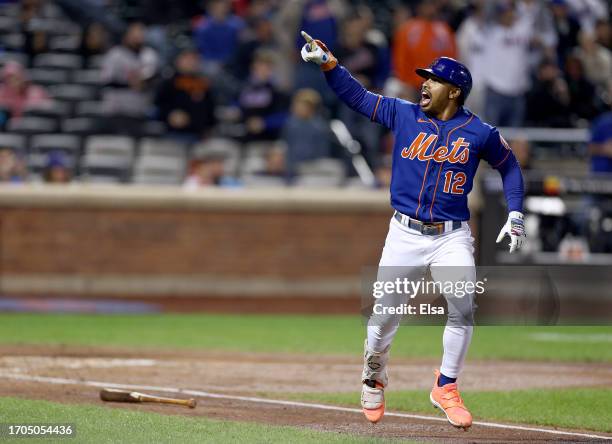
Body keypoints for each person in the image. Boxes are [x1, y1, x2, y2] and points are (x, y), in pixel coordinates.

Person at [301, 33, 525, 429]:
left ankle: (446, 386)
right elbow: (357, 97)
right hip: (404, 234)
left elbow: (509, 166)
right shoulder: (403, 113)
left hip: (452, 235)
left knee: (462, 306)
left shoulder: (480, 132)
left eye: (434, 80)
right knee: (384, 318)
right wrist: (328, 64)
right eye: (425, 78)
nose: (424, 83)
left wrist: (516, 212)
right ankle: (373, 376)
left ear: (454, 92)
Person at [392, 0, 456, 100]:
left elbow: (452, 59)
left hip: (437, 86)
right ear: (420, 6)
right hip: (411, 86)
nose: (430, 8)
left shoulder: (444, 30)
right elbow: (400, 60)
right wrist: (406, 83)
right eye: (427, 4)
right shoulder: (408, 29)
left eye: (433, 4)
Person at [154, 48, 217, 141]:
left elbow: (211, 110)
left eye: (194, 59)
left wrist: (208, 126)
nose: (191, 62)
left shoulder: (204, 84)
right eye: (187, 58)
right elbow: (158, 107)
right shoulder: (169, 83)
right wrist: (170, 115)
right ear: (178, 60)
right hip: (174, 135)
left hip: (199, 137)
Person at [101, 22, 159, 117]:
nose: (137, 37)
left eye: (140, 33)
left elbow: (154, 77)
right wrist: (129, 83)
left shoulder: (149, 54)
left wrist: (143, 82)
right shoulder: (115, 54)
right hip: (117, 106)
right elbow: (106, 80)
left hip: (141, 106)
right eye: (134, 33)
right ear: (126, 35)